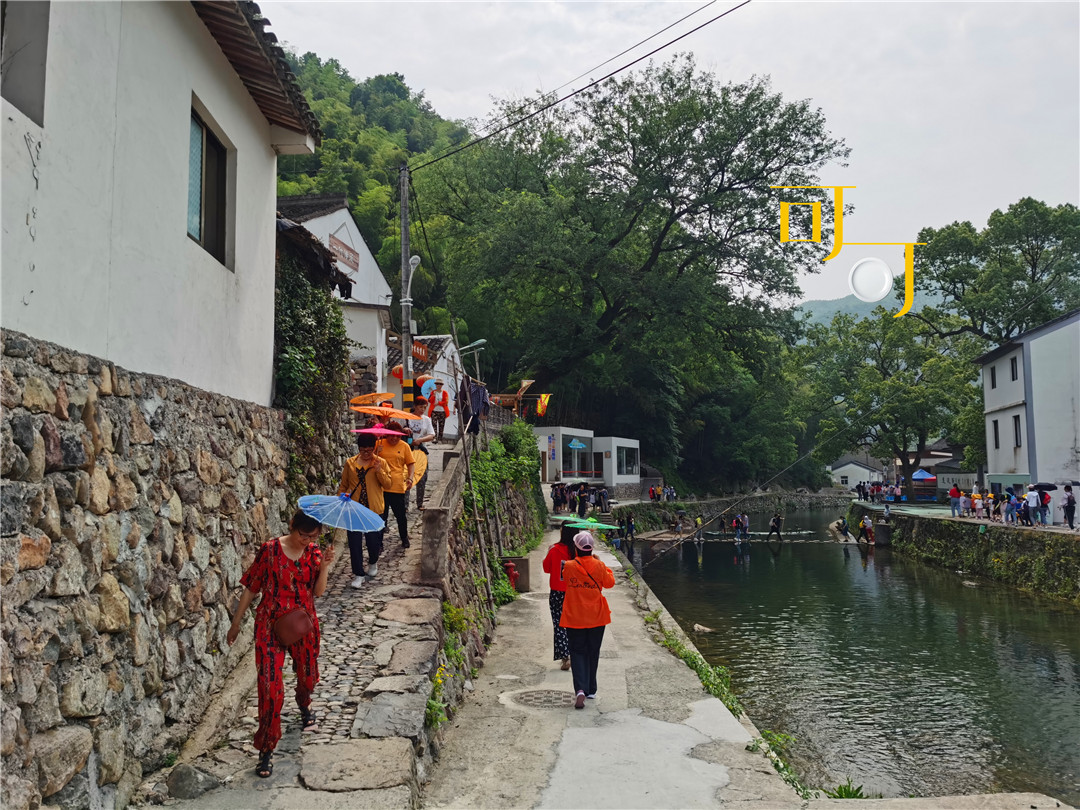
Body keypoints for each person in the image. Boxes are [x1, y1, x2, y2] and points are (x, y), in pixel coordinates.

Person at [227, 511, 334, 778]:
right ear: (292, 526)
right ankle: (266, 747)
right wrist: (236, 622)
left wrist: (324, 567)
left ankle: (304, 702)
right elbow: (252, 587)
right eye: (303, 535)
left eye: (313, 536)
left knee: (307, 675)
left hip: (303, 624)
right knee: (269, 687)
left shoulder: (314, 553)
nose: (306, 540)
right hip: (270, 624)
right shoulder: (270, 550)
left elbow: (318, 592)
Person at [559, 531, 615, 709]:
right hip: (597, 617)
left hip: (574, 617)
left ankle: (580, 689)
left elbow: (564, 580)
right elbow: (610, 583)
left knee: (577, 652)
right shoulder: (599, 565)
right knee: (593, 651)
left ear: (576, 549)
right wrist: (602, 565)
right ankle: (591, 689)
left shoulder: (568, 566)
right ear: (592, 549)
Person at [338, 433, 392, 588]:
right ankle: (358, 574)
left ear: (374, 448)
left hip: (373, 509)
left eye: (369, 450)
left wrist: (379, 471)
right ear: (359, 449)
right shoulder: (350, 463)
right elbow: (344, 484)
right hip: (354, 508)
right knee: (354, 543)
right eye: (363, 450)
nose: (366, 453)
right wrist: (340, 498)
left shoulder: (380, 462)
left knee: (373, 542)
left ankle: (373, 561)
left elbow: (388, 484)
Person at [542, 527, 576, 671]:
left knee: (559, 624)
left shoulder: (554, 549)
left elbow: (546, 568)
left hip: (557, 592)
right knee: (573, 624)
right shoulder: (577, 551)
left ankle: (565, 657)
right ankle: (576, 654)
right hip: (574, 592)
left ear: (562, 532)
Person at [377, 421, 415, 548]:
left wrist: (410, 478)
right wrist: (376, 452)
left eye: (397, 436)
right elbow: (371, 461)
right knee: (381, 516)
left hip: (397, 486)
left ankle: (404, 537)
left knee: (400, 515)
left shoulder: (404, 446)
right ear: (387, 434)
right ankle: (378, 542)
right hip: (380, 485)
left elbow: (410, 464)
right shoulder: (379, 444)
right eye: (392, 435)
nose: (394, 438)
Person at [407, 398, 436, 510]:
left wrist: (420, 440)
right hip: (408, 449)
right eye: (420, 407)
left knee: (422, 476)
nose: (422, 409)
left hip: (421, 450)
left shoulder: (426, 419)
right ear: (415, 406)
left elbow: (431, 435)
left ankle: (420, 503)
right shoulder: (407, 418)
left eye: (424, 407)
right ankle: (405, 504)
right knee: (406, 475)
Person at [427, 379, 452, 444]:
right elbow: (430, 401)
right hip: (434, 411)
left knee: (441, 425)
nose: (439, 385)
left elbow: (446, 402)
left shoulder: (445, 393)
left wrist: (438, 403)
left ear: (442, 385)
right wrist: (433, 395)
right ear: (435, 385)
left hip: (442, 411)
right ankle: (434, 438)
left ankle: (440, 438)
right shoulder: (433, 392)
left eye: (440, 384)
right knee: (434, 424)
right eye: (437, 384)